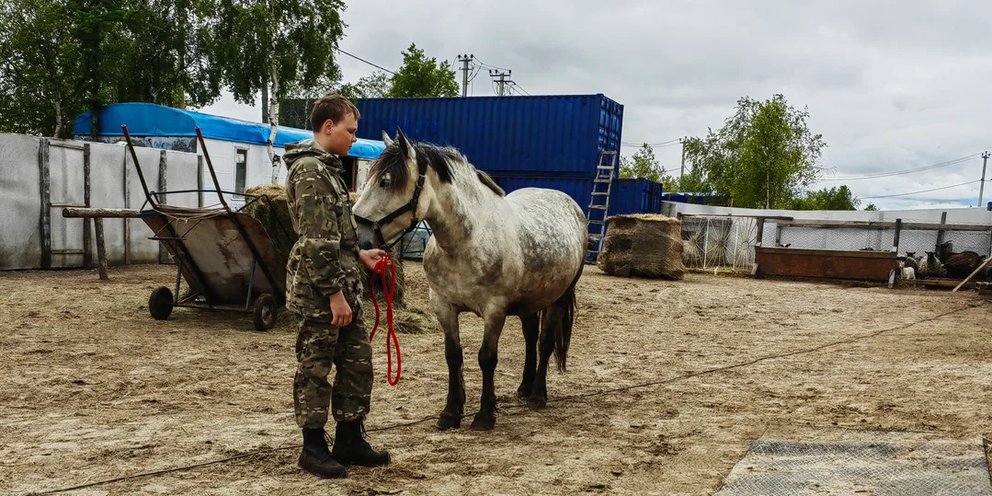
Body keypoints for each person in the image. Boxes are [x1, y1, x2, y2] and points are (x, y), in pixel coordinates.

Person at [284, 94, 390, 479]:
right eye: (350, 130)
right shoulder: (310, 171)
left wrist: (359, 256)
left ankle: (349, 438)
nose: (353, 139)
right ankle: (312, 448)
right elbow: (315, 241)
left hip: (345, 284)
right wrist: (334, 295)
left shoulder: (328, 168)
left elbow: (335, 234)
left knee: (357, 364)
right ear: (328, 126)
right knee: (316, 367)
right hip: (322, 294)